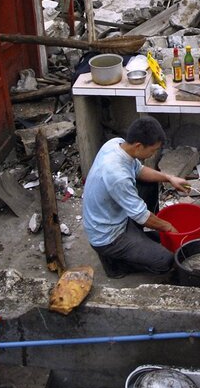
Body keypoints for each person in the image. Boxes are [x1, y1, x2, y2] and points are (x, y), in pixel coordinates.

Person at [81, 116, 191, 278]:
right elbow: (141, 215)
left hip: (113, 217)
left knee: (151, 182)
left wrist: (169, 178)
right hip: (108, 237)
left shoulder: (116, 144)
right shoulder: (117, 174)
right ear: (139, 146)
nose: (153, 153)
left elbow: (138, 170)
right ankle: (115, 263)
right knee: (166, 261)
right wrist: (168, 227)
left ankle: (137, 238)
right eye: (153, 150)